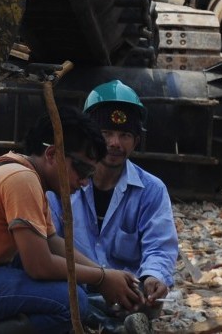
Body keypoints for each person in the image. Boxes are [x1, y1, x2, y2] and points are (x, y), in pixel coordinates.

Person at [0, 106, 147, 333]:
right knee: (70, 303)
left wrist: (103, 274)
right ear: (52, 154)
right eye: (82, 171)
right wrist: (102, 278)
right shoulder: (22, 180)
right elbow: (40, 266)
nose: (84, 182)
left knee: (74, 283)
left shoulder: (24, 171)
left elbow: (52, 242)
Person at [48, 80, 178, 333]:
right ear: (89, 137)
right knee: (58, 292)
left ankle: (100, 317)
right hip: (74, 281)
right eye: (106, 133)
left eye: (125, 135)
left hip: (124, 290)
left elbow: (160, 248)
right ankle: (113, 325)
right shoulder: (61, 184)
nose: (115, 143)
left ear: (136, 141)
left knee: (148, 300)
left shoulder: (152, 190)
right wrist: (96, 277)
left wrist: (153, 277)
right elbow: (47, 241)